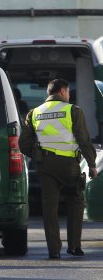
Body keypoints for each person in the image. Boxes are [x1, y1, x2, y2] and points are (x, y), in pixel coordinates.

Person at [19, 79, 97, 259]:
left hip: (45, 166)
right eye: (68, 92)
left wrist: (37, 155)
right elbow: (84, 141)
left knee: (49, 208)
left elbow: (23, 144)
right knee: (76, 201)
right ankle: (74, 246)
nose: (69, 95)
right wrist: (92, 164)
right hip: (69, 165)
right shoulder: (72, 111)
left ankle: (54, 250)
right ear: (62, 91)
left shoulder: (34, 113)